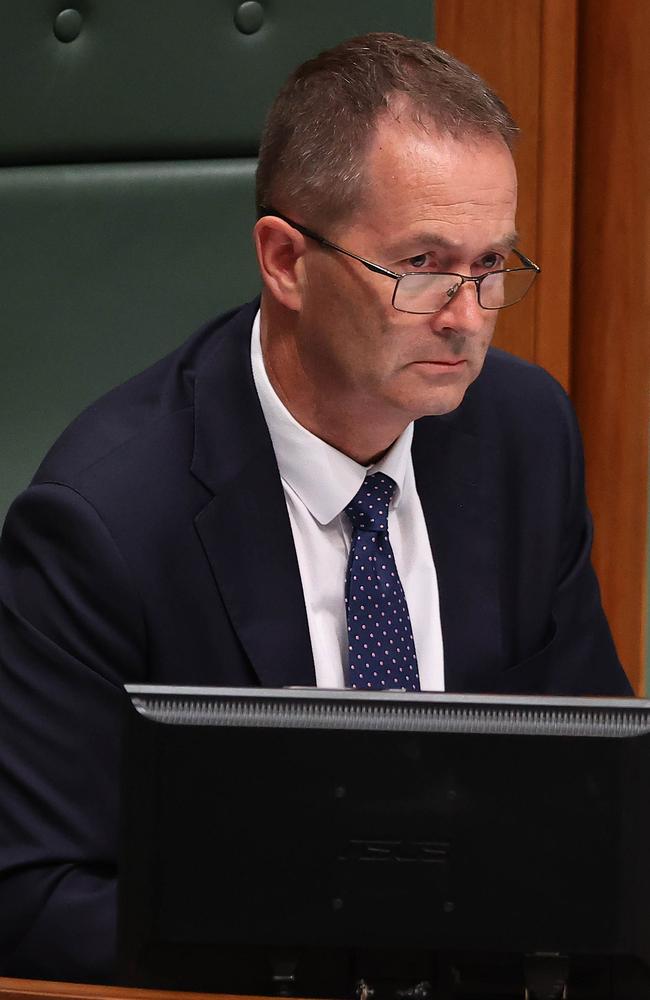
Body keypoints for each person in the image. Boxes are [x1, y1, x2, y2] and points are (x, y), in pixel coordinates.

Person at [0, 32, 631, 983]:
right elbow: (31, 896)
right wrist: (345, 948)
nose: (466, 315)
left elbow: (603, 793)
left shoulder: (523, 434)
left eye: (492, 264)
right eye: (421, 265)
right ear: (287, 260)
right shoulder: (105, 521)